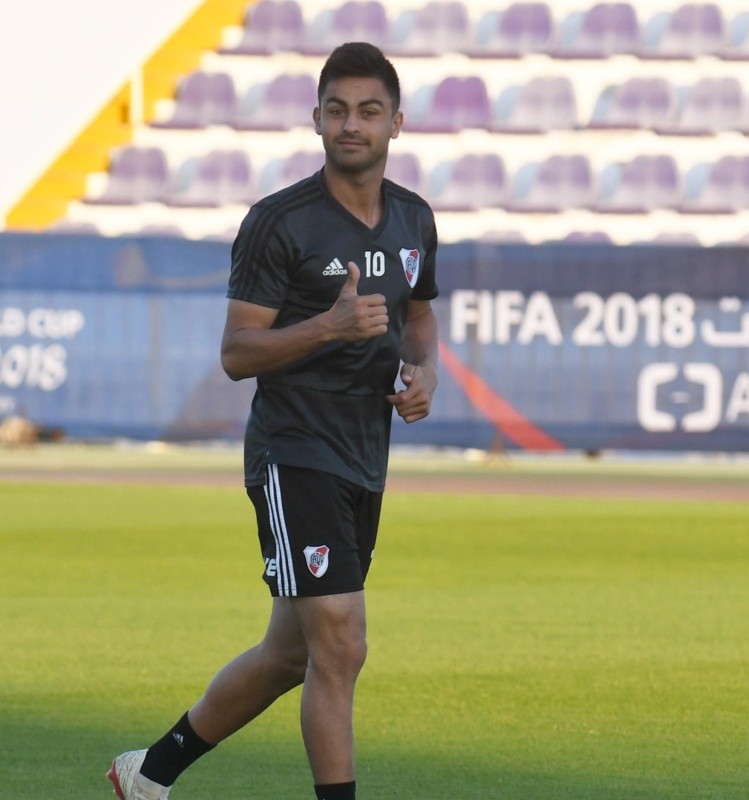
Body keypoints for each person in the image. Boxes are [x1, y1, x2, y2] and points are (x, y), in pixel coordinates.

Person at [107, 42, 439, 800]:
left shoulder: (415, 219)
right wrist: (328, 326)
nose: (351, 124)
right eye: (336, 110)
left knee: (291, 654)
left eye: (368, 110)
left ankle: (149, 774)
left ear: (397, 122)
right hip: (295, 452)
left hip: (365, 454)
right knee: (343, 643)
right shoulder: (278, 222)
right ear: (315, 118)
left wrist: (425, 376)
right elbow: (236, 353)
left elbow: (419, 320)